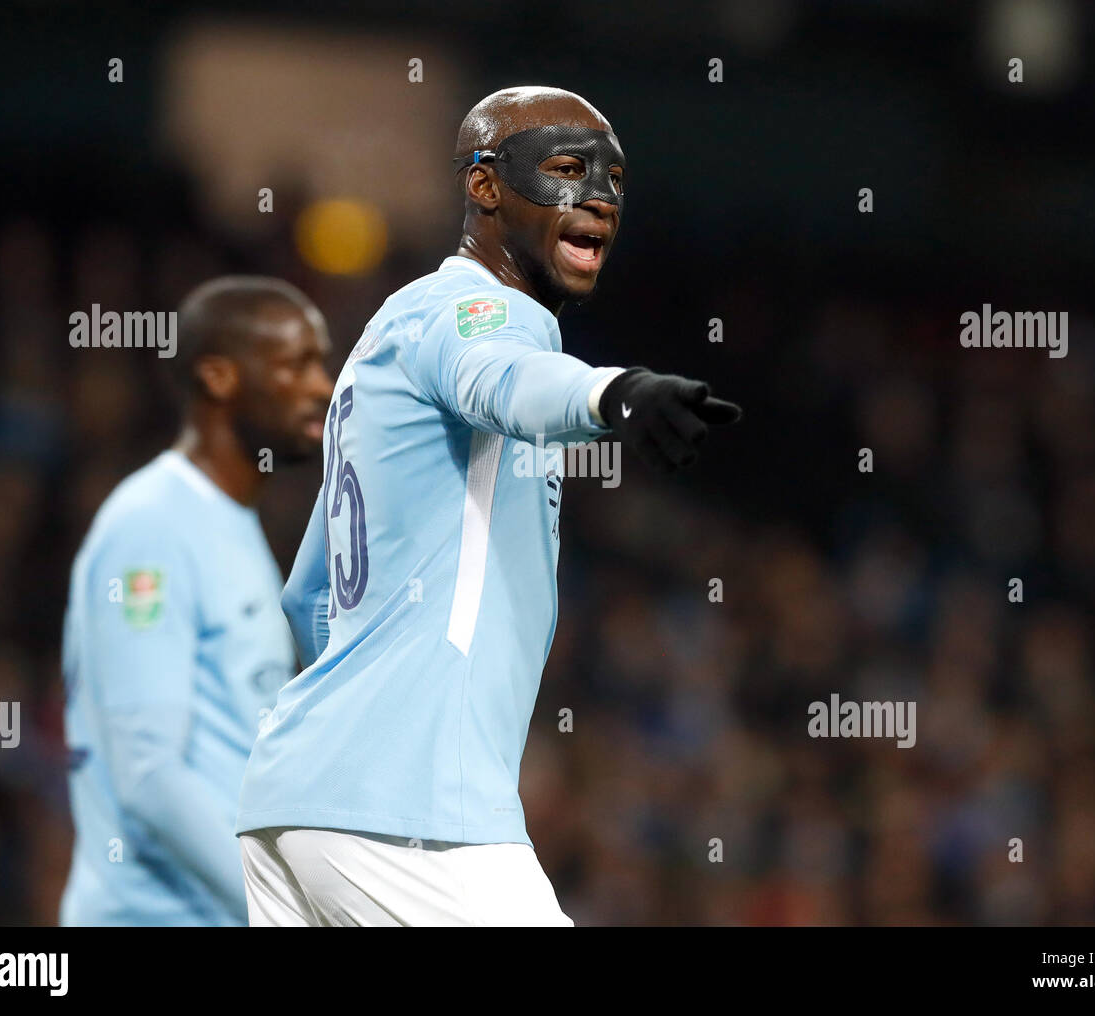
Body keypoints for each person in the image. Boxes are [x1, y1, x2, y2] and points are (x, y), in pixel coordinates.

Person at [236, 86, 741, 926]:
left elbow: (310, 596)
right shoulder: (484, 311)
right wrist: (617, 392)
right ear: (484, 186)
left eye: (613, 180)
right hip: (407, 809)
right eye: (567, 170)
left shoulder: (389, 338)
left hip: (294, 802)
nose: (599, 199)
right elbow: (506, 378)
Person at [60, 276, 334, 925]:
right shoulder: (152, 524)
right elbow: (149, 773)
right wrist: (279, 913)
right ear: (219, 376)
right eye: (297, 364)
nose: (323, 386)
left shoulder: (233, 525)